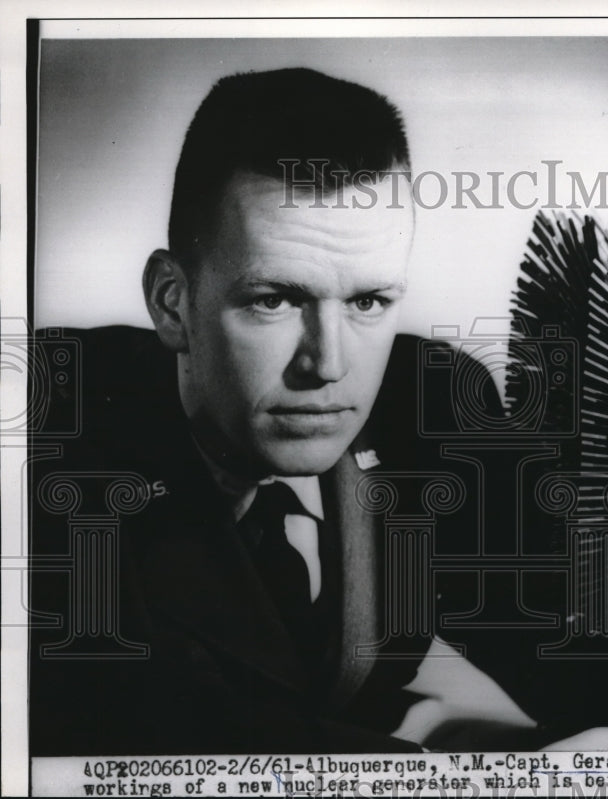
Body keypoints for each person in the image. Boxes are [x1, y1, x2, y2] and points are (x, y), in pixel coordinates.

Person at [28, 67, 545, 756]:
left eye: (368, 302)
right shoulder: (45, 422)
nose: (328, 364)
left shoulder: (441, 405)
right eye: (273, 300)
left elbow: (562, 640)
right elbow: (142, 725)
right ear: (172, 302)